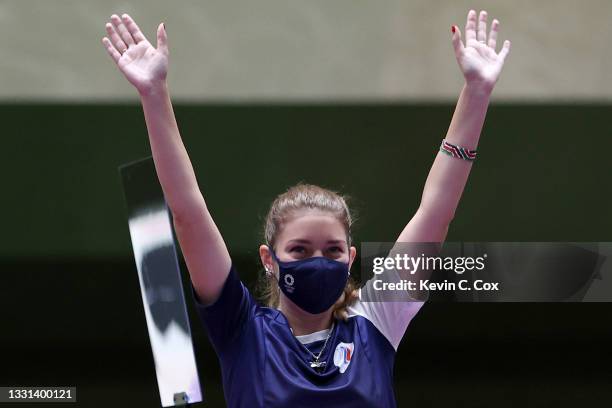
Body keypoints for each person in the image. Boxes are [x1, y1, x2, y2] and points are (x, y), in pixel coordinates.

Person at [102, 9, 511, 407]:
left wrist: (476, 93)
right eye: (299, 250)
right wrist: (154, 95)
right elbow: (189, 214)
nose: (318, 260)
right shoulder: (241, 329)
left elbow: (435, 212)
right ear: (269, 259)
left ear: (351, 258)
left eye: (332, 250)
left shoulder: (376, 322)